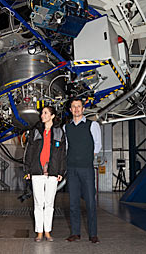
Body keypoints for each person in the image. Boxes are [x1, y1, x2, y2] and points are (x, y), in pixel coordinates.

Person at [24, 106, 66, 242]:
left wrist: (61, 171)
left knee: (49, 203)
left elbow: (62, 154)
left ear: (52, 116)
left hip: (53, 172)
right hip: (37, 171)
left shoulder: (59, 132)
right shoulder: (35, 131)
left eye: (45, 113)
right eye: (42, 113)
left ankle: (47, 231)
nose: (42, 115)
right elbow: (29, 152)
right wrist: (28, 170)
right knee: (38, 203)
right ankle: (39, 232)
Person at [65, 98, 102, 243]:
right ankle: (75, 233)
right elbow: (67, 147)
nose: (76, 109)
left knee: (90, 203)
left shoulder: (92, 125)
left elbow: (97, 146)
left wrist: (86, 158)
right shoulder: (66, 127)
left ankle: (93, 234)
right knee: (73, 203)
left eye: (78, 106)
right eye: (73, 107)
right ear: (70, 109)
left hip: (86, 169)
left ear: (83, 109)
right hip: (72, 169)